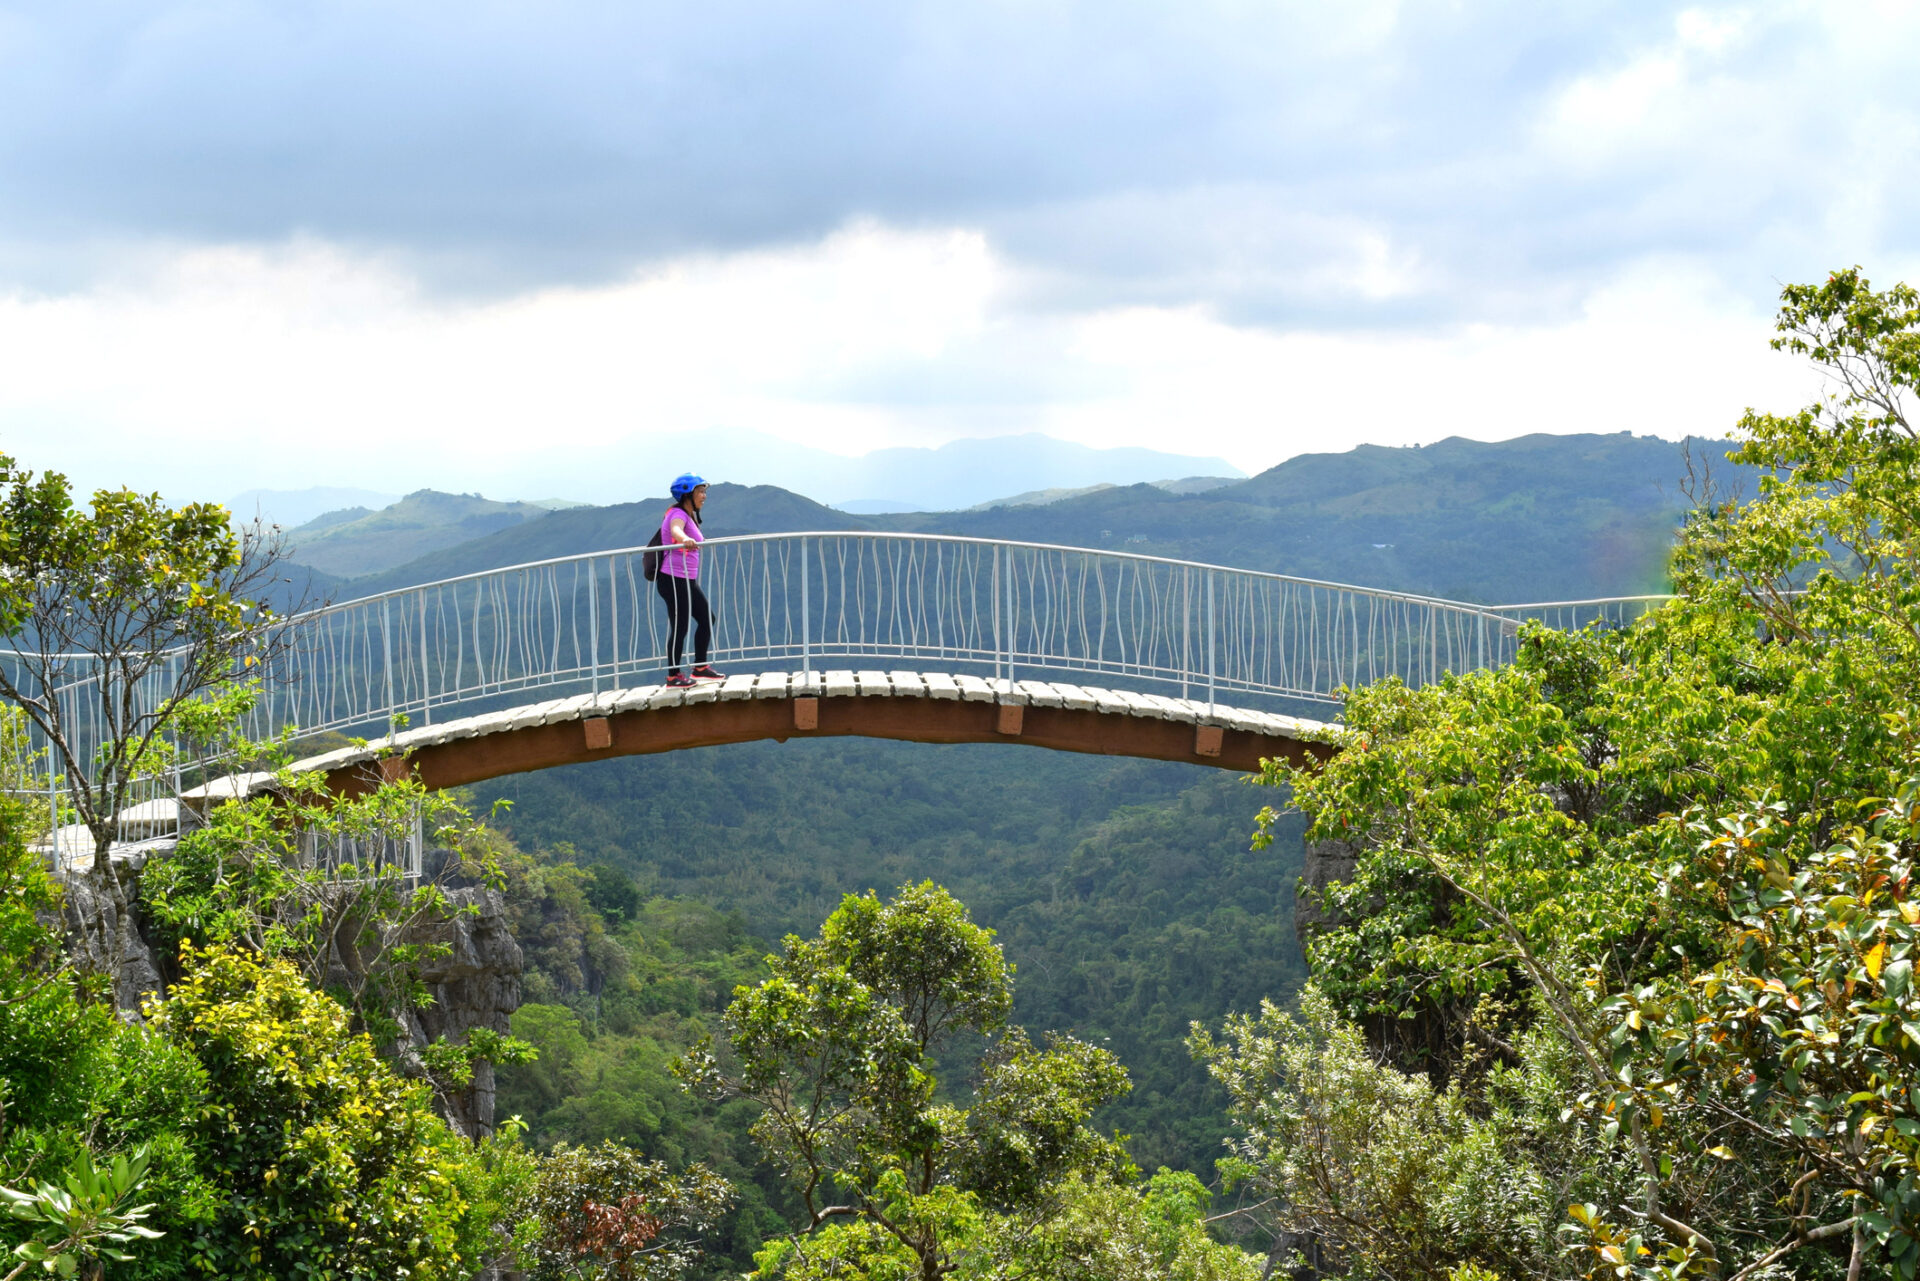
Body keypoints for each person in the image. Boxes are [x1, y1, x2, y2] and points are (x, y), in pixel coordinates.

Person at [658, 474, 722, 687]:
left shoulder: (688, 514)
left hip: (686, 580)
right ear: (687, 495)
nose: (704, 496)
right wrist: (684, 539)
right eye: (700, 492)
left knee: (707, 619)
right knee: (680, 626)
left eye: (704, 492)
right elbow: (675, 529)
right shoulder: (677, 514)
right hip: (673, 580)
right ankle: (673, 676)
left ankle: (700, 668)